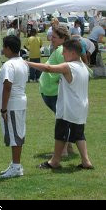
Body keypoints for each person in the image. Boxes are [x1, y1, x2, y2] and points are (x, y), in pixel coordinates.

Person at [27, 40, 93, 170]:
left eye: (65, 51)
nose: (62, 53)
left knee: (60, 134)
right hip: (81, 107)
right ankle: (86, 161)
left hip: (68, 108)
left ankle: (54, 161)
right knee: (79, 134)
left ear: (73, 53)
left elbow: (48, 68)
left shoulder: (69, 66)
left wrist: (26, 62)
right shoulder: (83, 67)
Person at [0, 36, 29, 178]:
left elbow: (7, 86)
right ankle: (15, 164)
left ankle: (16, 166)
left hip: (13, 105)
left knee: (15, 136)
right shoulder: (22, 62)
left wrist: (3, 108)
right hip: (18, 102)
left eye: (4, 47)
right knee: (15, 134)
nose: (3, 50)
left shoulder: (9, 65)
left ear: (8, 48)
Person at [39, 25, 74, 156]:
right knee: (63, 119)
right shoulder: (60, 50)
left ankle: (63, 151)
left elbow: (67, 70)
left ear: (63, 38)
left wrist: (59, 80)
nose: (51, 39)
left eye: (54, 37)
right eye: (51, 36)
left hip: (54, 92)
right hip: (51, 92)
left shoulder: (61, 51)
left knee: (62, 121)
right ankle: (68, 148)